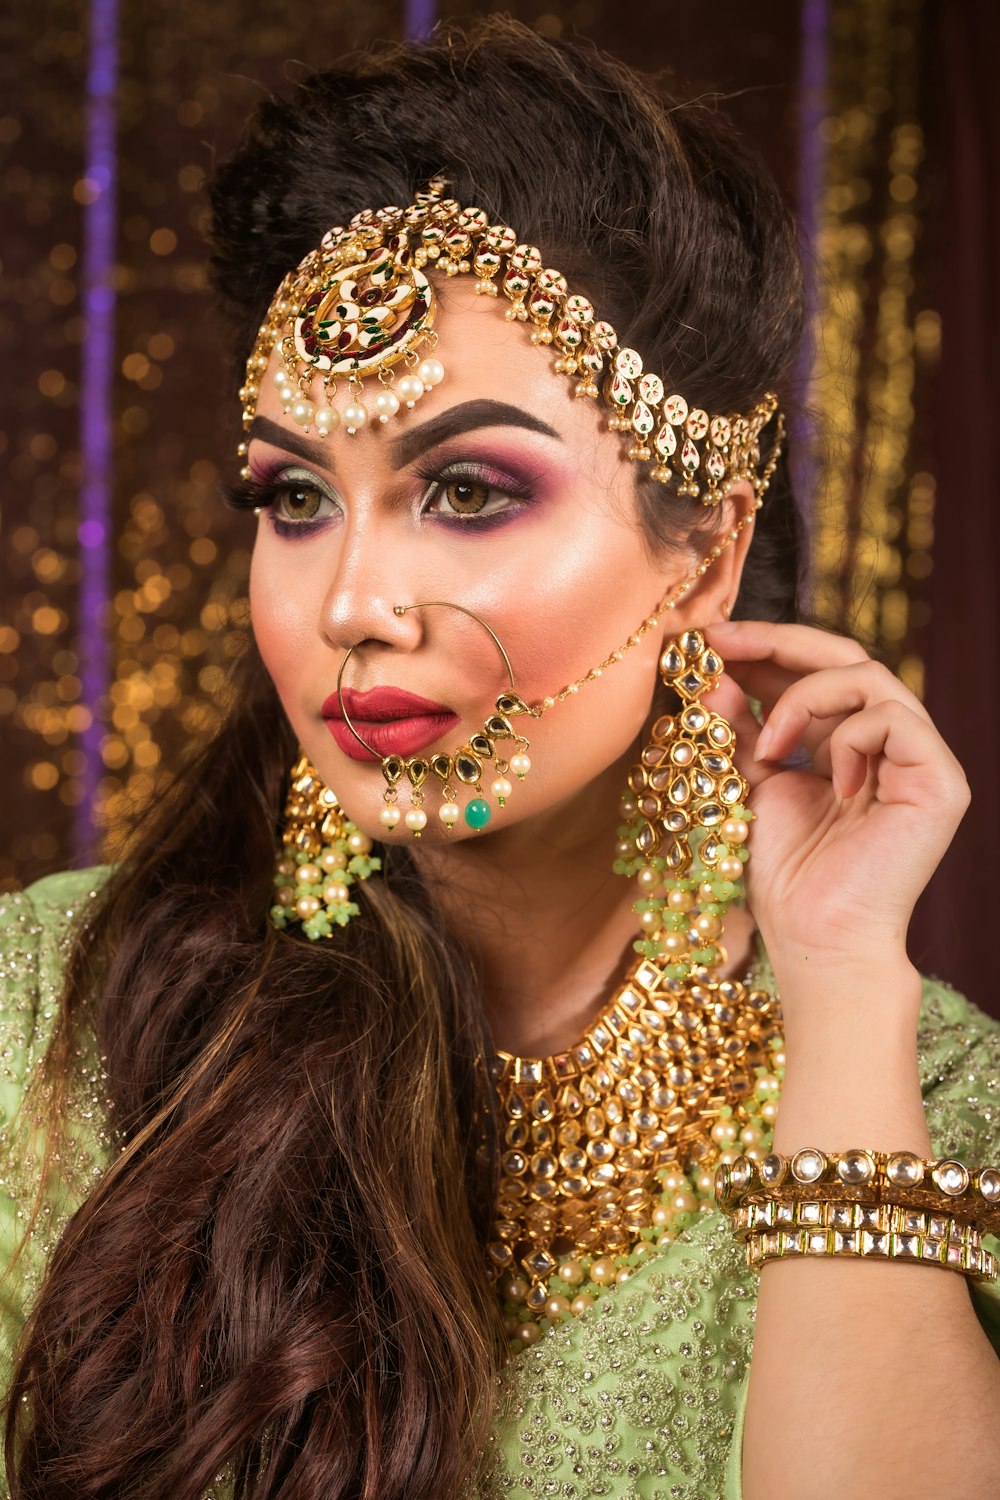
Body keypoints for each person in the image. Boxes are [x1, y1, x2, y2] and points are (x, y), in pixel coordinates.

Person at [3, 17, 1000, 1500]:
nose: (349, 601)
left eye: (465, 489)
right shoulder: (53, 1010)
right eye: (291, 498)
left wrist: (844, 985)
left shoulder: (925, 1086)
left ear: (707, 554)